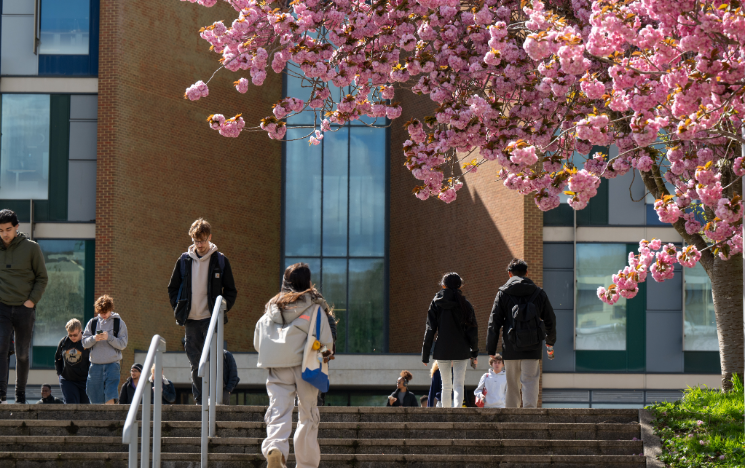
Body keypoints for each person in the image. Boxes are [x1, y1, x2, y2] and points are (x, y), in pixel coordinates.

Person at [254, 262, 334, 468]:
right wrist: (326, 356)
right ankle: (306, 463)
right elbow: (326, 343)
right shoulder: (315, 308)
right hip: (305, 366)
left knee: (279, 409)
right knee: (307, 413)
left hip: (276, 366)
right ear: (307, 283)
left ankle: (275, 449)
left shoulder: (271, 308)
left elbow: (257, 341)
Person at [168, 218, 238, 404]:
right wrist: (179, 307)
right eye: (196, 241)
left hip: (211, 319)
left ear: (210, 237)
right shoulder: (184, 261)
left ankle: (215, 398)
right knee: (195, 362)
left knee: (214, 360)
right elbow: (172, 288)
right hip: (190, 320)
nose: (200, 245)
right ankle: (200, 401)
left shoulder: (220, 261)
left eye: (203, 240)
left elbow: (231, 291)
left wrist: (223, 306)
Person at [486, 258, 556, 408]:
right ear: (527, 273)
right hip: (533, 345)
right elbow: (550, 319)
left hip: (511, 346)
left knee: (512, 384)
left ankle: (512, 417)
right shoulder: (539, 293)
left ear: (510, 274)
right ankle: (530, 415)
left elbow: (494, 322)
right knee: (530, 381)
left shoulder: (503, 293)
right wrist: (550, 341)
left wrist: (491, 348)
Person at [0, 209, 48, 404]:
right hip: (2, 307)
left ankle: (20, 393)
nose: (5, 234)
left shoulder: (31, 248)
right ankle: (1, 393)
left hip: (24, 308)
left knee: (21, 353)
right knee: (1, 348)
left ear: (17, 227)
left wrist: (31, 302)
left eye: (8, 229)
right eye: (1, 230)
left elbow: (42, 278)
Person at [421, 272, 479, 408]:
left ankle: (446, 414)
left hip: (442, 349)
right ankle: (458, 412)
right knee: (459, 384)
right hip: (462, 349)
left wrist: (425, 355)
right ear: (460, 286)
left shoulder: (436, 303)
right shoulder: (465, 304)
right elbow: (473, 330)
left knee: (445, 385)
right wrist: (474, 352)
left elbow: (430, 329)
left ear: (443, 285)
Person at [82, 295, 128, 404]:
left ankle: (111, 419)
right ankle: (99, 419)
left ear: (110, 310)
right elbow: (84, 342)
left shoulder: (119, 323)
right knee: (93, 393)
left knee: (110, 392)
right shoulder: (92, 323)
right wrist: (94, 338)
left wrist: (109, 338)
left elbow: (123, 344)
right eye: (101, 313)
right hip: (95, 364)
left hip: (113, 364)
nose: (103, 315)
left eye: (106, 312)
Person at [55, 318, 91, 404]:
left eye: (75, 335)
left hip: (85, 381)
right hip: (68, 380)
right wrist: (59, 374)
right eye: (70, 335)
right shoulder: (64, 342)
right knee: (70, 405)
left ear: (80, 330)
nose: (72, 337)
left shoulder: (87, 342)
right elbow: (57, 358)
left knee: (84, 407)